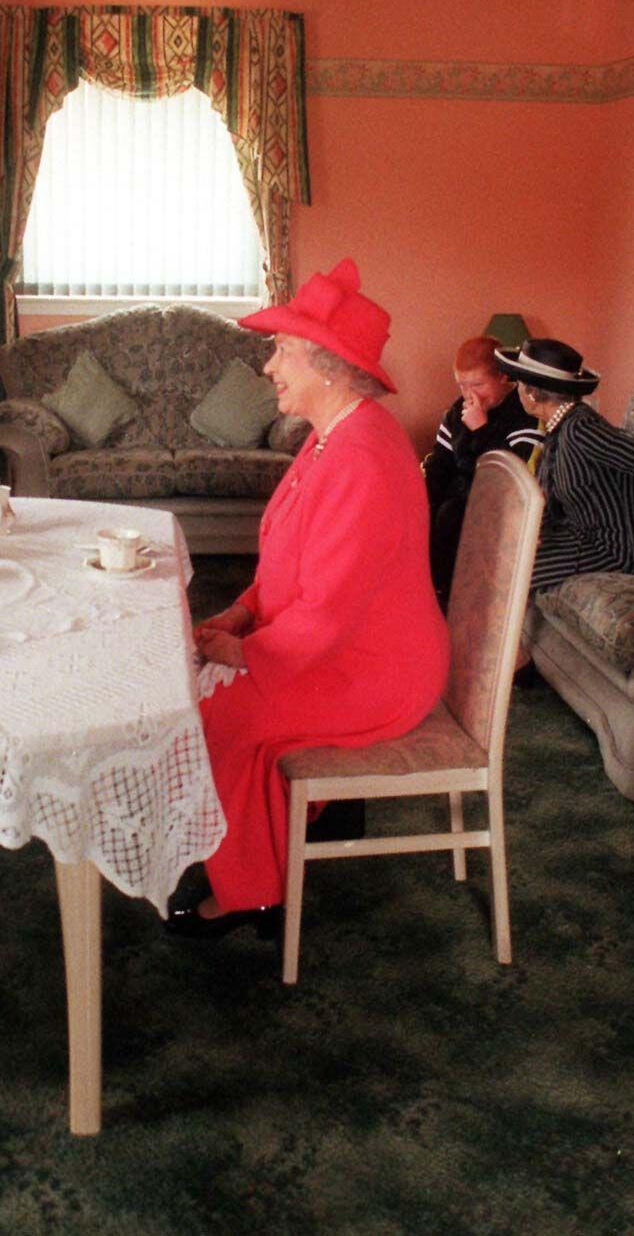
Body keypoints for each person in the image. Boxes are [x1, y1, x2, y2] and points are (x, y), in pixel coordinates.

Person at [171, 259, 449, 939]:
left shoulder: (361, 457)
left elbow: (324, 613)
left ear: (328, 365)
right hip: (339, 647)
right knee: (210, 688)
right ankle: (267, 837)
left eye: (283, 350)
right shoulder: (336, 437)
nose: (269, 366)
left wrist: (241, 650)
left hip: (373, 672)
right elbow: (287, 560)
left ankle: (253, 893)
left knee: (217, 717)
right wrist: (239, 614)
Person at [494, 338, 634, 591]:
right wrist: (535, 531)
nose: (517, 390)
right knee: (503, 554)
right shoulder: (557, 429)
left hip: (615, 548)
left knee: (509, 575)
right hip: (580, 536)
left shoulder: (581, 429)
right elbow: (552, 495)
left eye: (519, 384)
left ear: (532, 393)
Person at [423, 334, 543, 609]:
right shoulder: (457, 411)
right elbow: (440, 463)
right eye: (462, 385)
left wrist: (482, 429)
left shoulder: (524, 412)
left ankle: (446, 599)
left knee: (450, 514)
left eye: (477, 384)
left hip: (496, 502)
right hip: (456, 495)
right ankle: (426, 593)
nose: (469, 395)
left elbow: (512, 477)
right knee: (424, 508)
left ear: (503, 377)